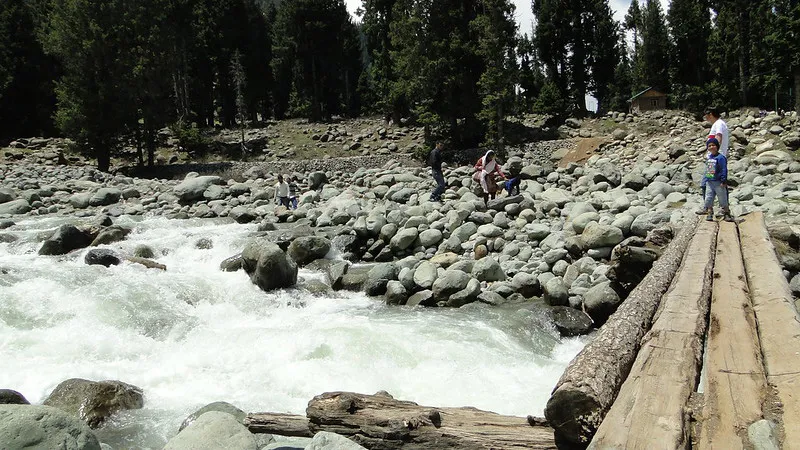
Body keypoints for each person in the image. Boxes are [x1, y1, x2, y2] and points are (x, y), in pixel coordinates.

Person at [702, 138, 734, 222]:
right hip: (710, 181)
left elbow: (724, 169)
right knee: (708, 197)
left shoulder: (721, 158)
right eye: (709, 146)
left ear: (717, 146)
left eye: (713, 145)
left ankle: (726, 213)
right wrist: (706, 180)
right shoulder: (709, 158)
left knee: (722, 198)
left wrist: (723, 180)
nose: (711, 147)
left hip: (718, 181)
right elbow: (707, 170)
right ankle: (709, 212)